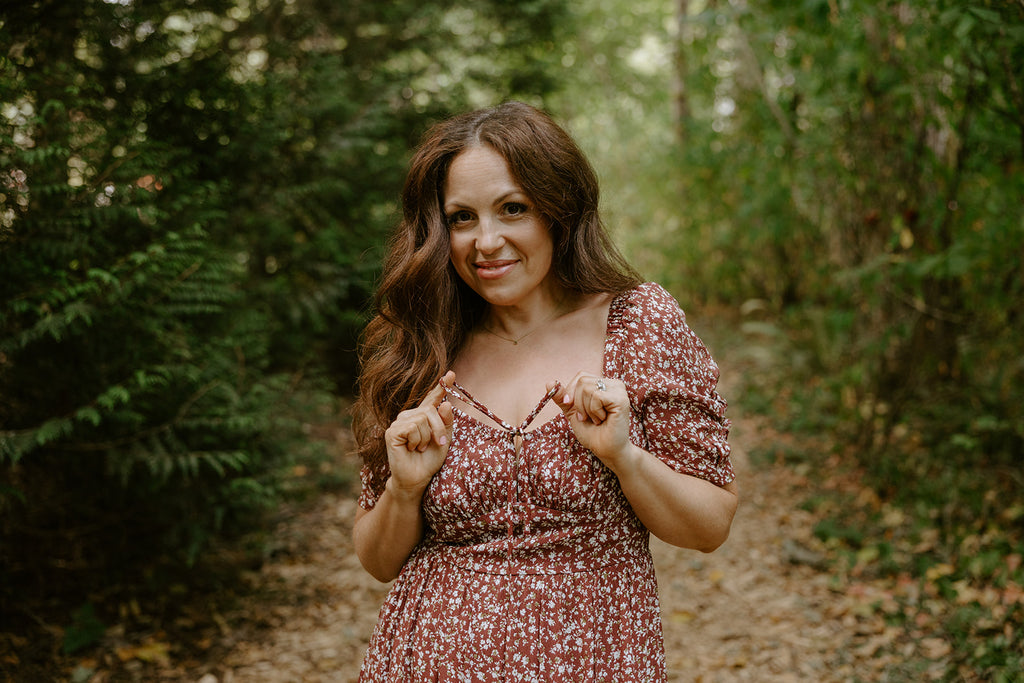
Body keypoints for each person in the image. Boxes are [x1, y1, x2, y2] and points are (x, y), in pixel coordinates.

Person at [351, 101, 738, 681]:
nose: (486, 242)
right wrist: (404, 491)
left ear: (559, 210)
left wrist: (624, 457)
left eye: (513, 209)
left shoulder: (637, 323)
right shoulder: (420, 345)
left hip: (597, 662)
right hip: (422, 661)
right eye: (461, 217)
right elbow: (378, 560)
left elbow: (710, 527)